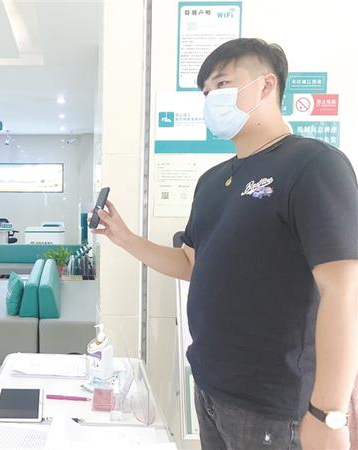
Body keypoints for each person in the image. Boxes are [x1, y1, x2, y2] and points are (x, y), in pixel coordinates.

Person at [94, 38, 358, 450]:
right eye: (205, 92)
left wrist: (329, 412)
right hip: (209, 388)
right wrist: (123, 237)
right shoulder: (212, 182)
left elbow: (343, 290)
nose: (211, 99)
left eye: (222, 84)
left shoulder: (314, 165)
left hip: (273, 406)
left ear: (266, 85)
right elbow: (190, 264)